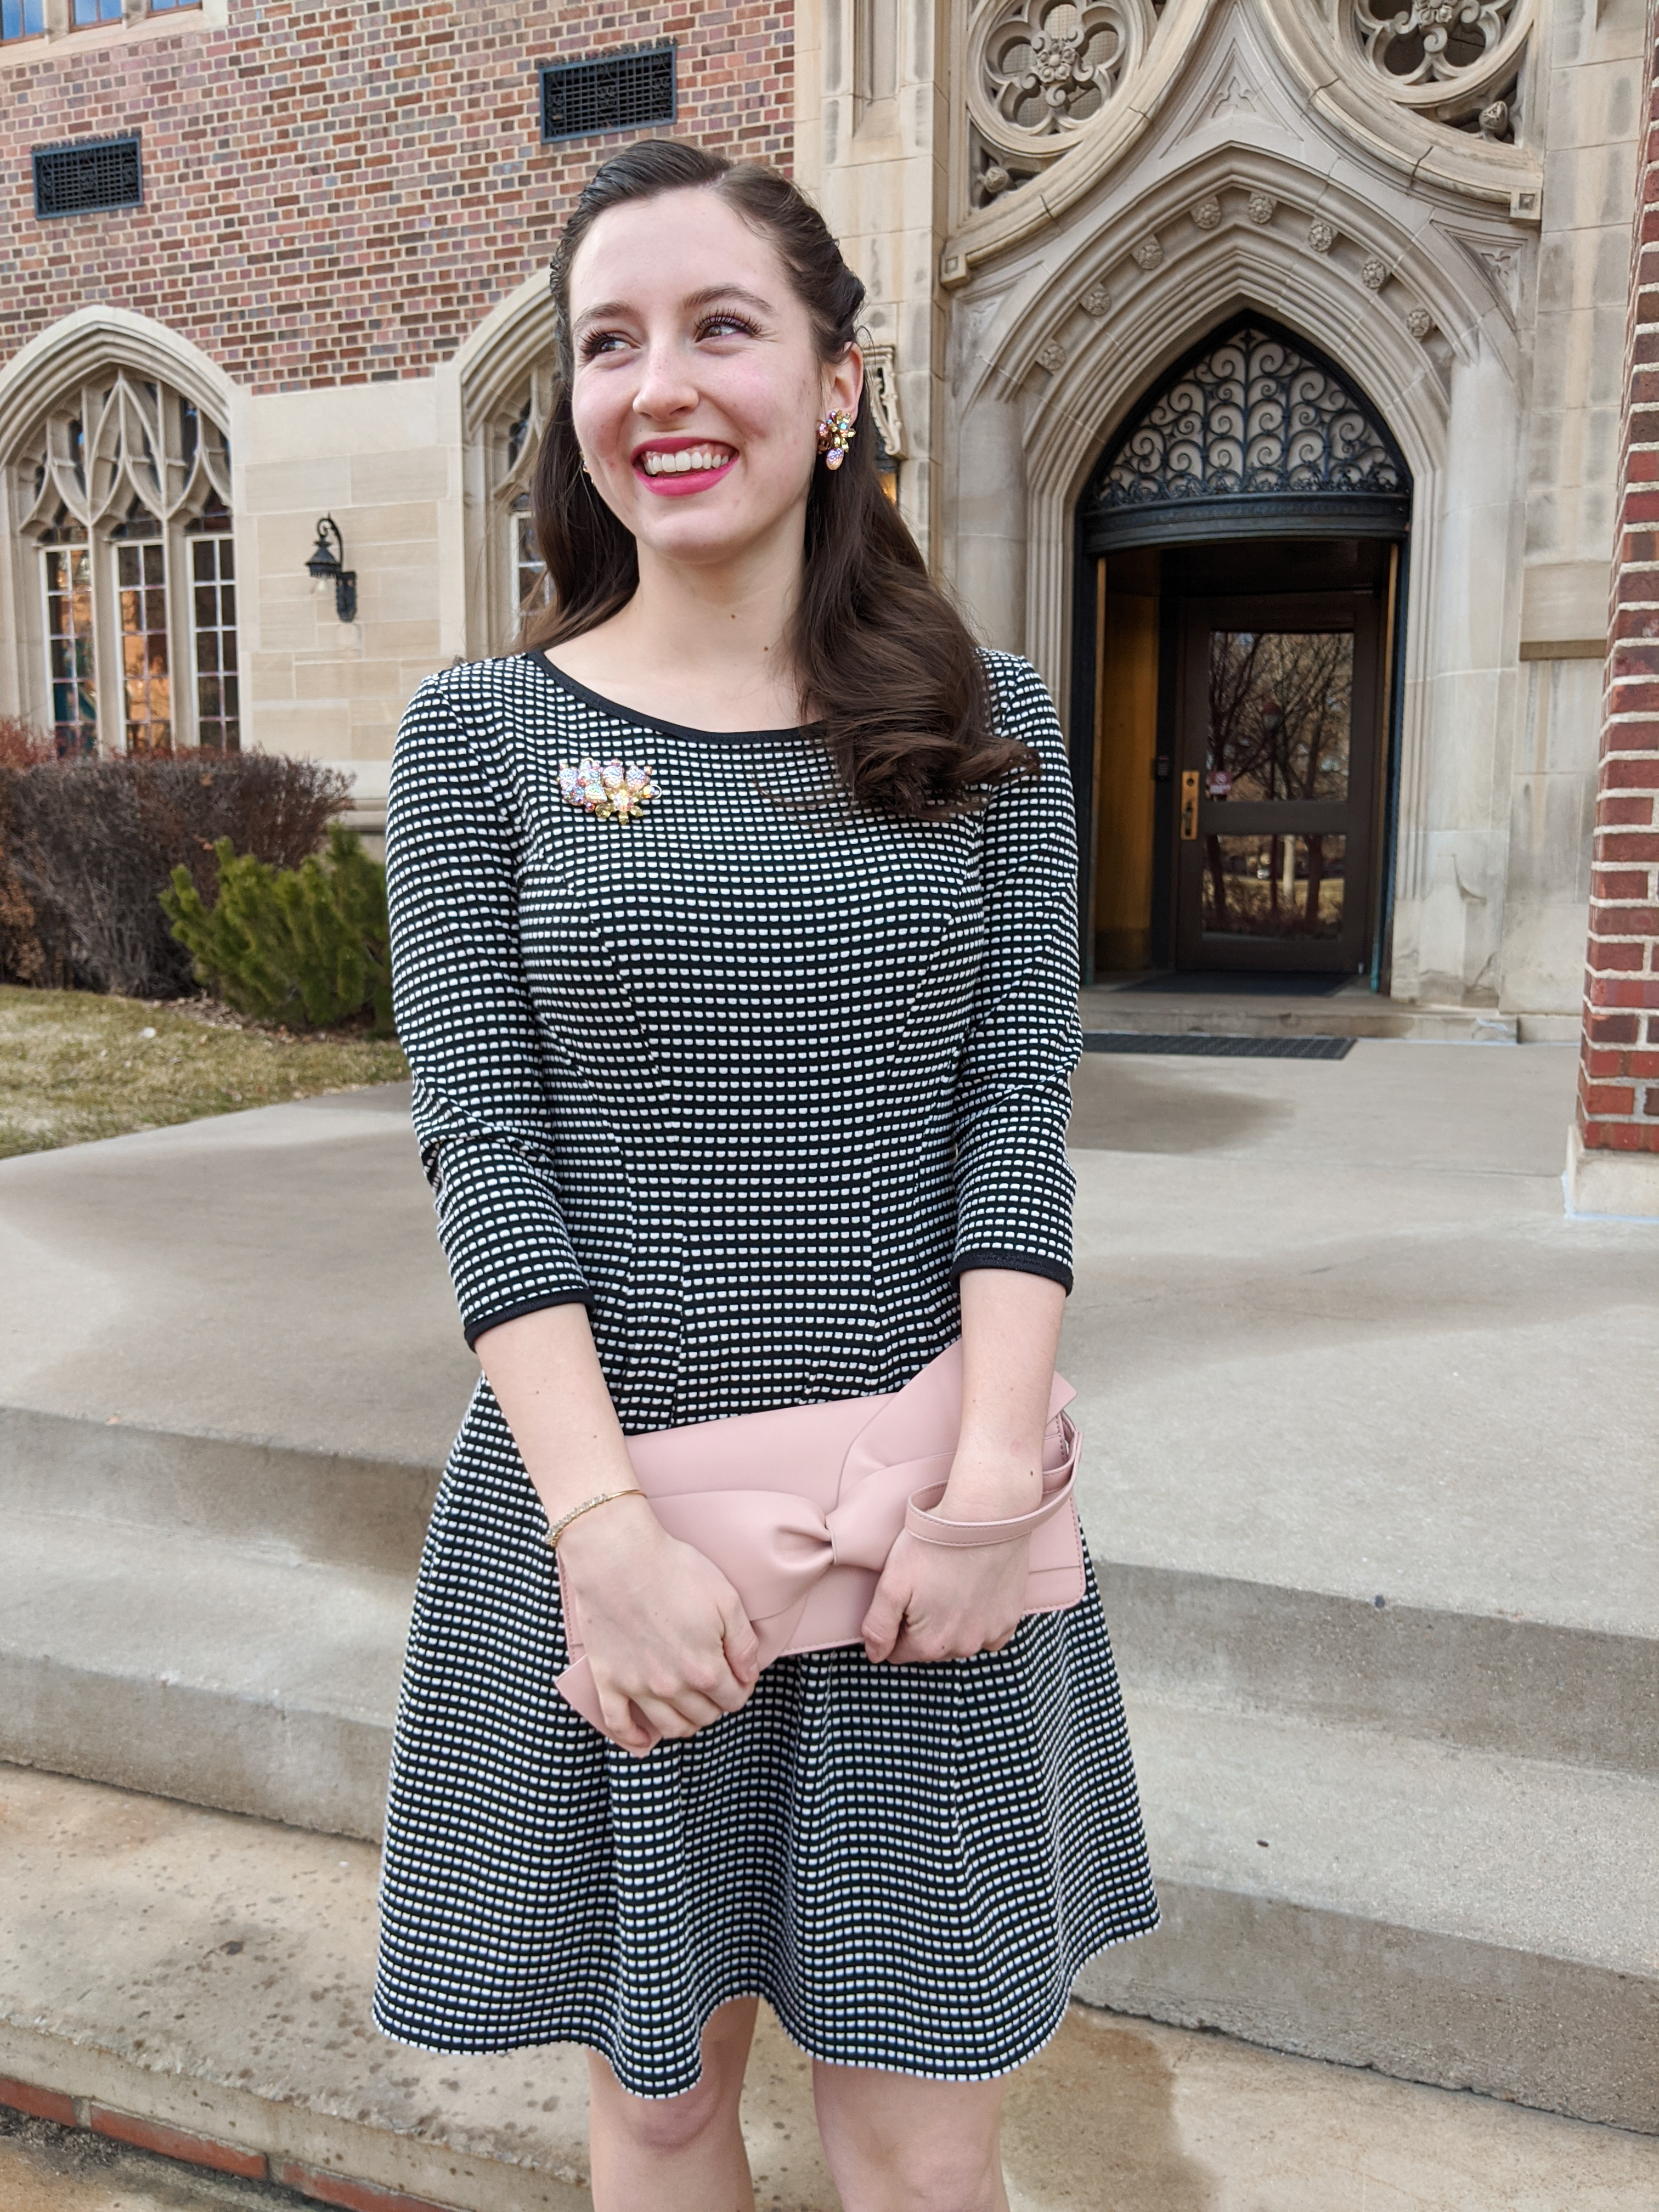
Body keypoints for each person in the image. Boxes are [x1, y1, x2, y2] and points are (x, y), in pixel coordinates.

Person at [374, 137, 1158, 2212]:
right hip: (624, 1528)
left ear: (838, 384)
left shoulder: (983, 727)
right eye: (608, 344)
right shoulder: (479, 740)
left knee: (914, 2149)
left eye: (724, 326)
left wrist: (996, 1498)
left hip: (928, 1541)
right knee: (659, 2108)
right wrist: (607, 1536)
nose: (663, 387)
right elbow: (489, 1154)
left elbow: (1018, 1127)